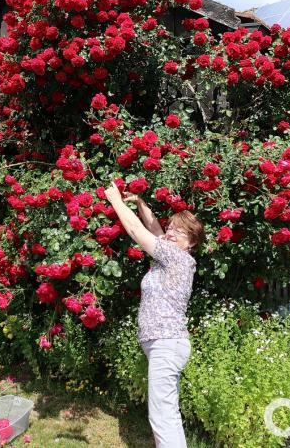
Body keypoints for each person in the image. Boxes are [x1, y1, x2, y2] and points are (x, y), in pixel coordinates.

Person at [104, 182, 204, 448]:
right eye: (171, 228)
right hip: (162, 343)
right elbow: (155, 229)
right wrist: (139, 203)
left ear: (191, 242)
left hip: (166, 343)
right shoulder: (171, 253)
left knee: (163, 416)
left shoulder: (177, 258)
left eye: (179, 231)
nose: (170, 233)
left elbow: (137, 230)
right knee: (164, 413)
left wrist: (116, 201)